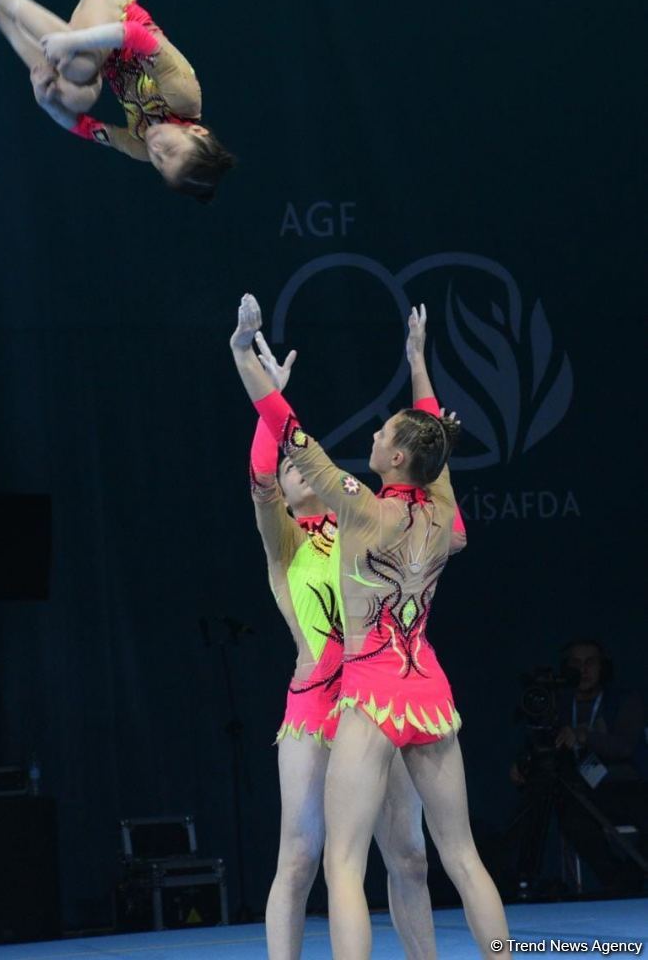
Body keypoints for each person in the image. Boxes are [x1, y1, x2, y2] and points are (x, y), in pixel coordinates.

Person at [231, 295, 509, 959]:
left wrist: (244, 354)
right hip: (431, 693)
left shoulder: (360, 511)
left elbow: (287, 425)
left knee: (346, 867)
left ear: (393, 460)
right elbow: (431, 436)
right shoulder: (441, 514)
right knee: (464, 857)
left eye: (383, 435)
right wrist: (417, 362)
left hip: (373, 692)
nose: (374, 438)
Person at [245, 338, 435, 959]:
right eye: (292, 471)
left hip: (374, 698)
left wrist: (416, 368)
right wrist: (264, 398)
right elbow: (263, 478)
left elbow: (420, 483)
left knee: (408, 854)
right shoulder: (286, 544)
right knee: (300, 860)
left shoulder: (357, 524)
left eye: (305, 469)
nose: (301, 474)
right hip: (312, 706)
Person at [0, 0, 235, 201]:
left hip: (98, 59)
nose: (156, 150)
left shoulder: (140, 146)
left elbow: (83, 127)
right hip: (112, 12)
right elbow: (135, 35)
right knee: (80, 66)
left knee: (73, 98)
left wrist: (46, 102)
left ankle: (2, 19)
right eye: (170, 150)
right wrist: (72, 41)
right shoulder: (185, 97)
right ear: (198, 132)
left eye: (160, 163)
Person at [511, 639, 648, 894]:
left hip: (626, 786)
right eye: (575, 663)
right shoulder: (559, 705)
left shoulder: (625, 701)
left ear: (603, 667)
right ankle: (617, 883)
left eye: (590, 662)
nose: (583, 670)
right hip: (581, 790)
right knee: (572, 820)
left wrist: (584, 736)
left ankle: (627, 881)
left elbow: (625, 746)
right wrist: (523, 762)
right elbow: (539, 740)